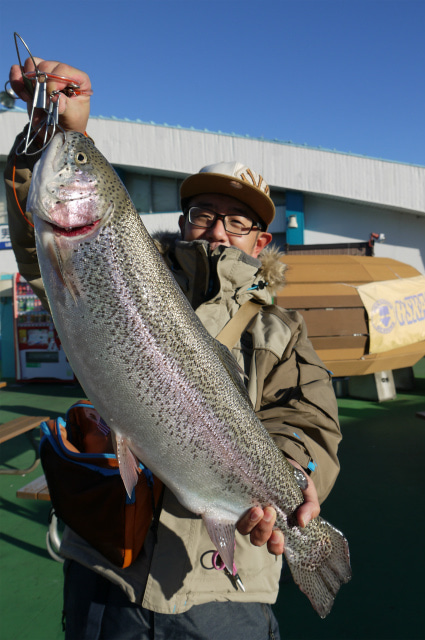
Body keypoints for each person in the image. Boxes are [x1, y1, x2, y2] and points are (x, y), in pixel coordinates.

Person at [5, 59, 342, 640]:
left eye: (237, 221)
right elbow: (41, 246)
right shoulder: (125, 267)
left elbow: (309, 422)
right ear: (184, 222)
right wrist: (57, 130)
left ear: (261, 242)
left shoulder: (282, 329)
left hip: (220, 582)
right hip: (108, 568)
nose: (217, 230)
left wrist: (293, 470)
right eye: (204, 214)